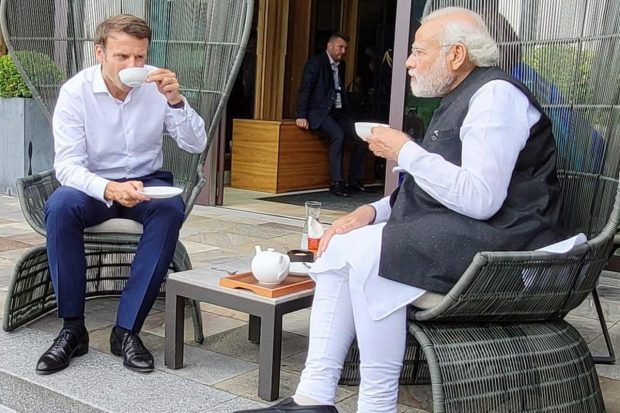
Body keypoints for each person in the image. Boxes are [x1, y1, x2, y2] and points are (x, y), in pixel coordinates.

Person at [236, 6, 561, 413]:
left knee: (375, 255)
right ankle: (314, 397)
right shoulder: (462, 95)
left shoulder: (495, 96)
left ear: (456, 55)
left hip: (511, 247)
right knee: (343, 243)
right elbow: (437, 189)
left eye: (418, 51)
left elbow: (480, 199)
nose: (407, 61)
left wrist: (405, 150)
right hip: (469, 235)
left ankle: (377, 406)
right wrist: (370, 212)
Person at [35, 14, 207, 375]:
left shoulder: (157, 85)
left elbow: (195, 144)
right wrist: (109, 188)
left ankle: (127, 331)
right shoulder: (76, 92)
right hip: (94, 185)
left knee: (169, 209)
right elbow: (66, 166)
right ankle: (72, 329)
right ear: (100, 52)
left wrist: (176, 100)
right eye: (122, 57)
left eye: (140, 58)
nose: (134, 67)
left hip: (147, 181)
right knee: (61, 206)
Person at [296, 32, 372, 197]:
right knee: (338, 136)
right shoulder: (316, 63)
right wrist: (301, 115)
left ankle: (354, 180)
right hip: (320, 112)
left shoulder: (341, 65)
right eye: (340, 47)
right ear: (329, 46)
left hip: (339, 112)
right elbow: (305, 89)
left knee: (361, 138)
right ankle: (337, 182)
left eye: (345, 48)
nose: (343, 51)